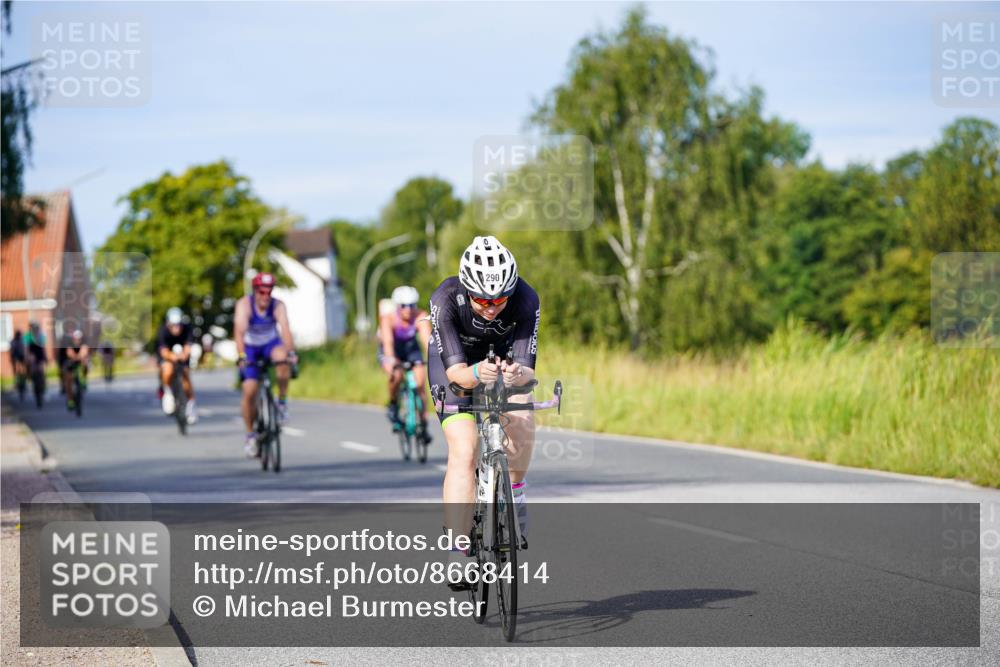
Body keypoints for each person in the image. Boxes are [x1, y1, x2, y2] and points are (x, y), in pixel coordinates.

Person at [427, 236, 539, 586]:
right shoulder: (445, 299)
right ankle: (457, 550)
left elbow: (528, 367)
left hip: (502, 358)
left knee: (523, 415)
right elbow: (456, 373)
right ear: (467, 289)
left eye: (499, 300)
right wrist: (476, 373)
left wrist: (516, 373)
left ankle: (515, 491)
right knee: (466, 448)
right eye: (482, 300)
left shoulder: (526, 299)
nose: (491, 307)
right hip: (455, 364)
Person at [234, 272, 297, 457]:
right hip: (251, 347)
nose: (266, 296)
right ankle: (250, 435)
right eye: (262, 292)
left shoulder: (278, 305)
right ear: (255, 291)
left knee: (282, 358)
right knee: (249, 391)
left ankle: (282, 402)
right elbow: (239, 332)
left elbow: (285, 329)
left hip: (270, 344)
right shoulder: (244, 305)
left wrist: (291, 352)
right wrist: (241, 355)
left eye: (269, 292)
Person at [378, 285, 432, 442]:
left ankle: (423, 423)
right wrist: (391, 360)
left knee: (421, 382)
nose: (408, 309)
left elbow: (427, 340)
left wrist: (434, 356)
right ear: (397, 306)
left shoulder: (420, 315)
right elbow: (387, 343)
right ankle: (393, 404)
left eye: (412, 305)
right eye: (404, 306)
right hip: (393, 349)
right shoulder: (388, 319)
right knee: (396, 374)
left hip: (411, 349)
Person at [157, 307, 197, 424]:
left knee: (186, 374)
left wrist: (184, 355)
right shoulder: (163, 331)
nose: (176, 328)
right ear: (169, 324)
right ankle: (167, 392)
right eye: (174, 325)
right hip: (168, 354)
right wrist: (172, 357)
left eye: (178, 325)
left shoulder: (188, 329)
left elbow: (188, 347)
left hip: (182, 354)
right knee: (167, 370)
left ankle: (191, 405)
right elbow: (163, 352)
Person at [58, 329, 89, 411]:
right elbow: (69, 353)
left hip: (79, 360)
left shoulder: (84, 341)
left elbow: (84, 351)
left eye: (79, 339)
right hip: (69, 361)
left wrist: (80, 357)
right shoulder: (68, 342)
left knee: (86, 363)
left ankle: (84, 380)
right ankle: (70, 400)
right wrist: (77, 357)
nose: (77, 341)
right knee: (68, 380)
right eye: (76, 339)